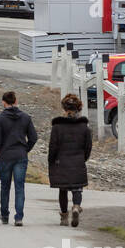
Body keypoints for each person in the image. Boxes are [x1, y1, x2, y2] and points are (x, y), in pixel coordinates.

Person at [0, 90, 38, 225]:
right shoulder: (25, 117)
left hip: (5, 155)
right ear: (16, 101)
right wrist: (25, 149)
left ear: (3, 102)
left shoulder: (0, 119)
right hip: (20, 154)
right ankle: (19, 217)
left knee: (5, 186)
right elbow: (33, 137)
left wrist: (0, 152)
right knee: (19, 186)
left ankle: (4, 215)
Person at [48, 93, 92, 227]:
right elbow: (88, 147)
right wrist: (82, 158)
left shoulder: (57, 127)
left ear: (64, 108)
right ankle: (76, 207)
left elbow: (53, 147)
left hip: (61, 162)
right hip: (78, 161)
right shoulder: (84, 127)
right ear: (78, 108)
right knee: (77, 188)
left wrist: (51, 161)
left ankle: (64, 217)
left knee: (63, 190)